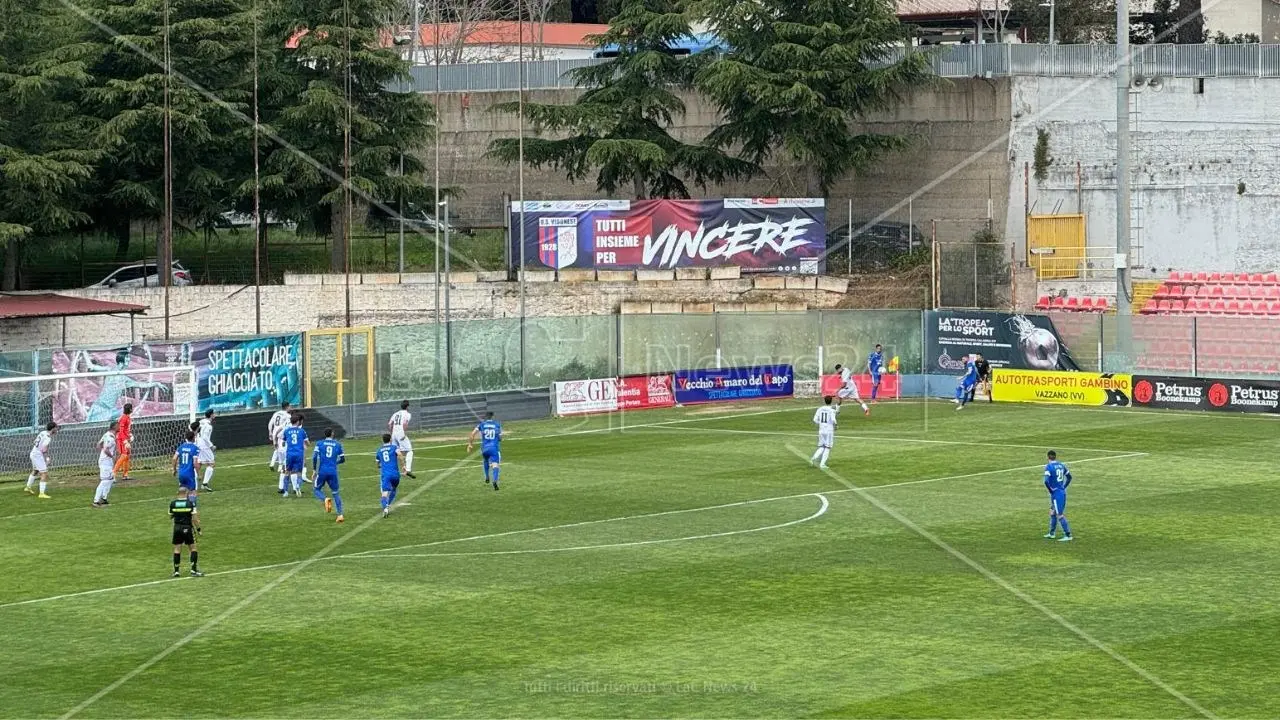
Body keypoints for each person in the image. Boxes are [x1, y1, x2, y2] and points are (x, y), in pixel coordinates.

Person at [312, 428, 346, 524]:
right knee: (335, 493)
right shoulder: (338, 444)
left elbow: (314, 457)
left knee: (316, 489)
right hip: (333, 471)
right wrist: (336, 462)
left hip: (322, 471)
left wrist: (314, 470)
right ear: (332, 434)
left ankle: (325, 499)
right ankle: (340, 515)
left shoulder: (319, 443)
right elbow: (343, 459)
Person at [169, 486, 203, 577]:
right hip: (187, 527)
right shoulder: (190, 503)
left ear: (178, 493)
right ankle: (193, 570)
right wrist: (198, 529)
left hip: (177, 528)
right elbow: (195, 518)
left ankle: (176, 571)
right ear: (186, 493)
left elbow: (171, 516)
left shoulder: (173, 504)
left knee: (177, 549)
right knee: (193, 548)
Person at [467, 411, 503, 491]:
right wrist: (498, 437)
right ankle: (495, 481)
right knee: (495, 465)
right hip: (494, 448)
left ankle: (487, 476)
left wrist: (470, 444)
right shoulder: (497, 425)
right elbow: (500, 438)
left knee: (485, 460)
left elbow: (472, 434)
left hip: (484, 448)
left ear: (485, 417)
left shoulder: (482, 424)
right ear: (492, 417)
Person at [1043, 450, 1073, 541]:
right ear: (1055, 457)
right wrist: (1064, 487)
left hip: (1057, 494)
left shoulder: (1049, 467)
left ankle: (1068, 535)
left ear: (1048, 457)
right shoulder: (1061, 465)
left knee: (1059, 515)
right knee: (1052, 512)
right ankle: (1052, 533)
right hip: (1060, 492)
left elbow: (1046, 481)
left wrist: (1051, 490)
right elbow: (1069, 477)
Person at [26, 422, 58, 499]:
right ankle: (41, 493)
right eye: (56, 428)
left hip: (33, 453)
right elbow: (44, 449)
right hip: (37, 456)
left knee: (35, 471)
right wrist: (47, 458)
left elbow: (35, 442)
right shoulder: (48, 438)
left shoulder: (42, 432)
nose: (57, 429)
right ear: (53, 428)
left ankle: (28, 487)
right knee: (44, 473)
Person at [281, 414, 309, 497]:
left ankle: (285, 492)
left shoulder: (286, 431)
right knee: (299, 473)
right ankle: (297, 486)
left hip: (290, 454)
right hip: (299, 454)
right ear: (297, 422)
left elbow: (283, 442)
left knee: (287, 472)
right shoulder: (302, 431)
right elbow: (308, 443)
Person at [92, 421, 118, 508]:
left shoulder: (106, 434)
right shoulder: (110, 437)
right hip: (106, 462)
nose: (120, 428)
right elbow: (106, 449)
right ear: (114, 427)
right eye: (119, 426)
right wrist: (112, 457)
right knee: (104, 481)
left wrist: (102, 455)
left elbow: (98, 445)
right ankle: (96, 501)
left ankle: (104, 498)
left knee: (111, 479)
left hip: (105, 461)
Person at [172, 431, 202, 505]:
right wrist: (199, 474)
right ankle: (192, 507)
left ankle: (181, 506)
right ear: (193, 438)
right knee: (193, 491)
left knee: (182, 490)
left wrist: (174, 469)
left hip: (181, 473)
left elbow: (174, 458)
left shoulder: (181, 447)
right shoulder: (195, 448)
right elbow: (195, 463)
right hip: (189, 474)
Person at [389, 400, 416, 479]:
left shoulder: (396, 413)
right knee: (409, 451)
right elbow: (404, 424)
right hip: (401, 434)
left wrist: (391, 435)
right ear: (407, 407)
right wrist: (403, 433)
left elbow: (390, 424)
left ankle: (392, 470)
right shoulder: (407, 414)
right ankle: (407, 469)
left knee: (395, 452)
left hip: (394, 434)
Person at [376, 433, 401, 518]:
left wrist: (381, 464)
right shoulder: (394, 447)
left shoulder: (379, 450)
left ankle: (385, 508)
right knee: (394, 489)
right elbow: (400, 455)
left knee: (384, 494)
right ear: (390, 440)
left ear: (382, 440)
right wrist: (404, 466)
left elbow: (378, 464)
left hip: (386, 475)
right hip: (395, 474)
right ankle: (388, 504)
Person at [809, 396, 838, 470]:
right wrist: (836, 426)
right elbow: (833, 420)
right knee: (828, 447)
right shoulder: (831, 410)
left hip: (821, 430)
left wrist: (821, 424)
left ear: (824, 401)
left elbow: (815, 420)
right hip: (829, 431)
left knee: (822, 446)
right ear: (831, 401)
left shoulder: (820, 409)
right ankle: (822, 464)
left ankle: (813, 458)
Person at [268, 401, 291, 473]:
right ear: (287, 407)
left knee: (277, 449)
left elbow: (270, 423)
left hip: (275, 432)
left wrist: (270, 432)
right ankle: (280, 466)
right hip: (281, 433)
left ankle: (272, 463)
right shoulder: (287, 415)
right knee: (282, 450)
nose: (290, 407)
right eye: (290, 406)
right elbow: (285, 426)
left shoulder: (276, 413)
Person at [196, 409, 216, 492]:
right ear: (211, 415)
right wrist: (211, 446)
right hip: (204, 446)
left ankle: (190, 480)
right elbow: (205, 437)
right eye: (214, 413)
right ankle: (204, 484)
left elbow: (191, 427)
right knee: (211, 463)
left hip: (197, 443)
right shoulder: (208, 426)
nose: (215, 415)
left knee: (199, 462)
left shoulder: (200, 422)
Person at [113, 402, 133, 482]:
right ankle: (113, 474)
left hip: (125, 438)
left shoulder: (128, 417)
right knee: (124, 455)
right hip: (121, 439)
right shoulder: (123, 418)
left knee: (127, 456)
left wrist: (130, 435)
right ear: (130, 409)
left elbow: (125, 430)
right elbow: (120, 431)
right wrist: (125, 441)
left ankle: (125, 475)